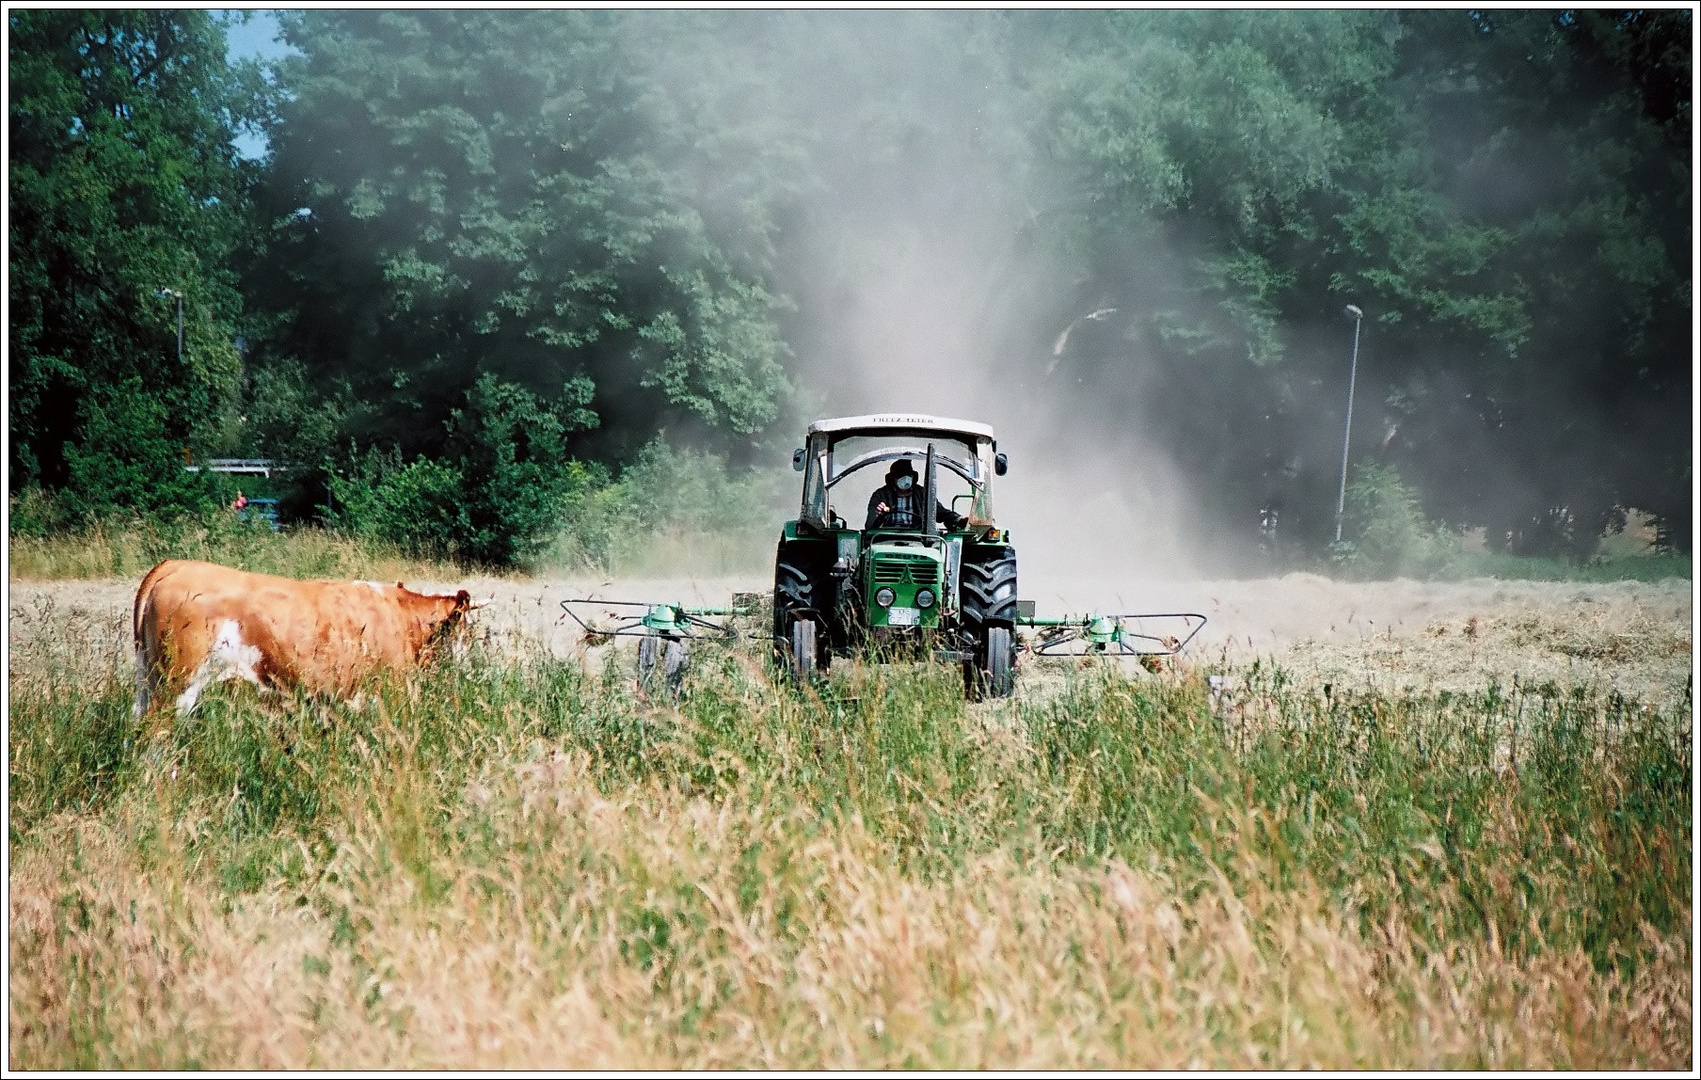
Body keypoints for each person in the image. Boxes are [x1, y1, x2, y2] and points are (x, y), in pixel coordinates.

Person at [864, 458, 965, 532]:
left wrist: (958, 519)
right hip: (885, 538)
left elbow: (941, 513)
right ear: (892, 478)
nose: (905, 479)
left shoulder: (923, 494)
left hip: (918, 538)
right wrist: (879, 515)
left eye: (908, 475)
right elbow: (869, 526)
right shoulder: (880, 495)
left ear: (914, 477)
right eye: (900, 476)